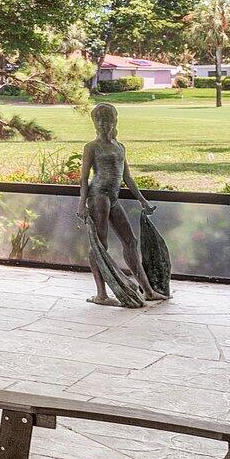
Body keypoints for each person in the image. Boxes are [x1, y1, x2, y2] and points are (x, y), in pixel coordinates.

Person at [80, 103, 158, 307]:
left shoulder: (119, 147)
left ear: (115, 121)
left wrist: (142, 199)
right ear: (94, 124)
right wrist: (81, 205)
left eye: (107, 120)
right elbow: (84, 179)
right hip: (98, 197)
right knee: (100, 245)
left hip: (113, 197)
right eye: (99, 120)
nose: (103, 124)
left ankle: (148, 290)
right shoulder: (91, 147)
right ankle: (101, 294)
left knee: (131, 241)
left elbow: (127, 177)